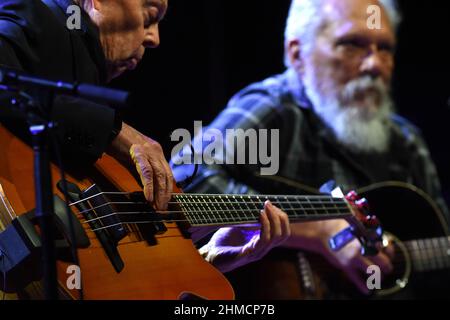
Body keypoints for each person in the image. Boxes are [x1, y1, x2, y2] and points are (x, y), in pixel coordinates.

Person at [0, 0, 290, 298]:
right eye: (150, 16)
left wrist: (206, 258)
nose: (154, 38)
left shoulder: (84, 71)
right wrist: (115, 131)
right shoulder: (36, 14)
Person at [171, 0, 450, 298]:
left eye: (385, 48)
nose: (375, 65)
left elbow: (440, 244)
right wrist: (317, 231)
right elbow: (184, 178)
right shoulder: (276, 108)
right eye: (352, 44)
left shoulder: (406, 141)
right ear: (297, 53)